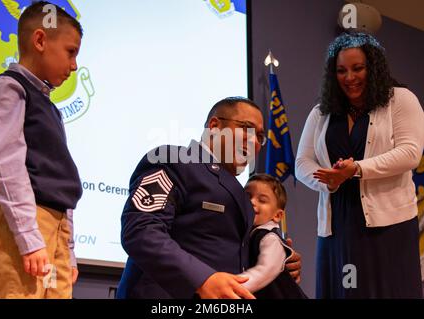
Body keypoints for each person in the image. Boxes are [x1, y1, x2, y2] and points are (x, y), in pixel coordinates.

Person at [117, 97, 302, 299]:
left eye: (259, 136)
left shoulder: (242, 195)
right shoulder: (173, 160)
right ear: (215, 126)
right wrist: (201, 278)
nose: (255, 141)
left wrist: (279, 260)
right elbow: (141, 231)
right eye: (246, 129)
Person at [295, 32, 424, 298]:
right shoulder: (322, 112)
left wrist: (357, 169)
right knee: (345, 291)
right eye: (341, 70)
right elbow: (302, 162)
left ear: (373, 67)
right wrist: (326, 179)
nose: (349, 77)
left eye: (358, 68)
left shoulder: (400, 100)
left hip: (389, 226)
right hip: (338, 225)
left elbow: (410, 153)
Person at [0, 1, 83, 298]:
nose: (74, 65)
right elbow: (7, 165)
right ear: (40, 40)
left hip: (55, 225)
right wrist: (29, 237)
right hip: (25, 221)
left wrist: (69, 248)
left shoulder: (49, 107)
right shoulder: (10, 88)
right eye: (70, 51)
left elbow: (61, 185)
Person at [240, 174, 307, 299]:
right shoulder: (248, 234)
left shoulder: (269, 238)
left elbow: (266, 270)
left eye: (262, 200)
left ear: (277, 215)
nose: (251, 202)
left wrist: (235, 285)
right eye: (247, 196)